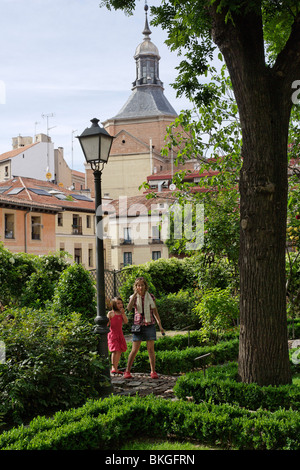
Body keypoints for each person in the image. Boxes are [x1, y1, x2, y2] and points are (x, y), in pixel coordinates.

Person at [124, 276, 164, 379]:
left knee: (151, 349)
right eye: (138, 285)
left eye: (142, 285)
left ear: (145, 286)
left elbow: (155, 311)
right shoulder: (132, 297)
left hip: (149, 324)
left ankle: (153, 371)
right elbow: (128, 308)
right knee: (134, 349)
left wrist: (160, 325)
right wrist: (134, 296)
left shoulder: (150, 297)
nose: (140, 287)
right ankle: (127, 371)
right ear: (136, 287)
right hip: (138, 325)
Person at [107, 297, 128, 374]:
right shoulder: (111, 313)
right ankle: (113, 367)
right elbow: (107, 324)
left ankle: (116, 367)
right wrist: (108, 318)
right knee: (114, 350)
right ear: (114, 305)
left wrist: (123, 313)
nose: (120, 304)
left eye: (121, 303)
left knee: (119, 351)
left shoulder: (121, 313)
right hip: (113, 334)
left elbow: (126, 321)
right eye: (118, 303)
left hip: (120, 334)